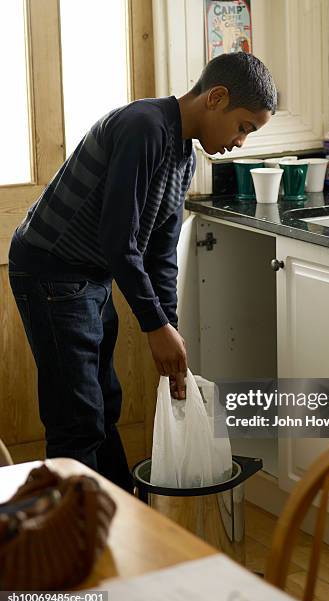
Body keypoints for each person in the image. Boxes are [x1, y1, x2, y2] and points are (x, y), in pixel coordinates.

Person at [8, 52, 277, 491]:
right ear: (217, 98)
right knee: (77, 420)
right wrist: (154, 326)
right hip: (49, 272)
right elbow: (120, 240)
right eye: (243, 126)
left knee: (103, 405)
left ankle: (121, 523)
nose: (241, 141)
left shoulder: (183, 157)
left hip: (88, 276)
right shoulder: (144, 128)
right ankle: (73, 546)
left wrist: (167, 327)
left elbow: (160, 255)